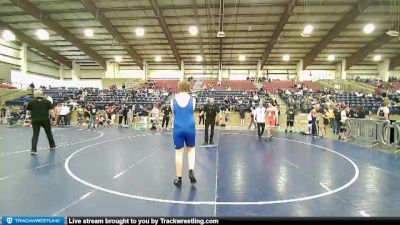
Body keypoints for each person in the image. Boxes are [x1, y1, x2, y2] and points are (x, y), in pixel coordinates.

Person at [171, 80, 196, 187]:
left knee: (178, 154)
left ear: (179, 87)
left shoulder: (172, 100)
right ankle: (191, 170)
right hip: (190, 127)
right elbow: (192, 110)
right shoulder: (193, 99)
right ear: (189, 88)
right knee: (191, 151)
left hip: (178, 128)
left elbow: (174, 113)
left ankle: (179, 178)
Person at [26, 90, 56, 155]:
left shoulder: (31, 102)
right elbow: (52, 111)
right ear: (42, 94)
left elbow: (28, 112)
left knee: (35, 135)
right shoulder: (47, 101)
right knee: (49, 133)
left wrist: (30, 118)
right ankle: (52, 146)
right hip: (45, 119)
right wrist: (53, 119)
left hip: (35, 120)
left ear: (35, 95)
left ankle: (33, 150)